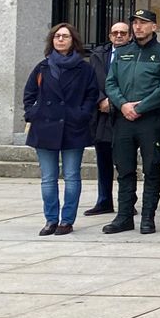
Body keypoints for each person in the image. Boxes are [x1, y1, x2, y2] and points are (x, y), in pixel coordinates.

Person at [24, 23, 101, 235]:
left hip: (72, 127)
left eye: (65, 36)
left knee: (71, 175)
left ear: (72, 41)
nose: (60, 40)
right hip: (45, 127)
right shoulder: (43, 67)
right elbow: (29, 94)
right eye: (57, 36)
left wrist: (81, 114)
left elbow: (91, 95)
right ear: (52, 40)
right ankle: (50, 220)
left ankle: (66, 220)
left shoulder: (84, 69)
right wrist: (33, 113)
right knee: (48, 177)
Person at [103, 10, 160, 235]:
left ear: (154, 26)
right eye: (135, 23)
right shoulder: (123, 53)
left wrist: (141, 107)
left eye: (144, 23)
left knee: (152, 168)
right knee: (124, 169)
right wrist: (123, 105)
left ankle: (147, 217)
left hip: (150, 120)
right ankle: (124, 216)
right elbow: (111, 83)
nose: (138, 27)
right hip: (123, 119)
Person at [84, 20, 129, 217]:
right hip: (101, 115)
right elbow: (90, 82)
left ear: (129, 36)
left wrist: (119, 102)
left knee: (125, 162)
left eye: (123, 33)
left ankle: (127, 202)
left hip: (126, 114)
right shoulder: (98, 55)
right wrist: (101, 100)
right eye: (115, 33)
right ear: (110, 36)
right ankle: (104, 200)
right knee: (103, 160)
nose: (119, 36)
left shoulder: (135, 54)